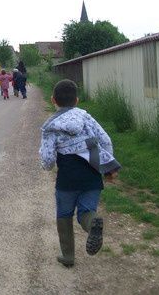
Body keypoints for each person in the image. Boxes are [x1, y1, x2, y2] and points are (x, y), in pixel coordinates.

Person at [39, 79, 121, 267]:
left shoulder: (50, 126)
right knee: (86, 211)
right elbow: (105, 140)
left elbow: (48, 158)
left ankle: (68, 256)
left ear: (53, 100)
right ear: (76, 100)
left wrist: (47, 166)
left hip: (67, 178)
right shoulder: (86, 117)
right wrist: (107, 168)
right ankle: (93, 223)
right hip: (91, 174)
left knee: (64, 214)